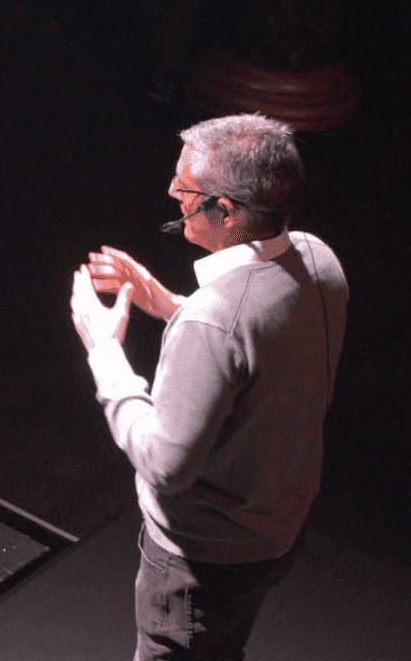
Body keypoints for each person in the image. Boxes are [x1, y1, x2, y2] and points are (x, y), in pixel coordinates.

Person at [69, 113, 348, 660]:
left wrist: (103, 351)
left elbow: (166, 465)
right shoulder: (318, 259)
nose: (173, 196)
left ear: (225, 210)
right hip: (275, 531)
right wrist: (168, 302)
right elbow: (255, 354)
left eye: (184, 189)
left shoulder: (216, 319)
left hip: (203, 559)